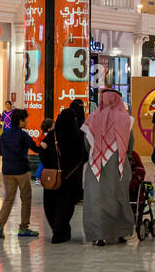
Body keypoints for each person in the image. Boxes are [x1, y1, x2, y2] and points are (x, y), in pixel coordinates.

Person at [80, 89, 134, 246]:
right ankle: (121, 233)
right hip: (118, 165)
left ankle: (98, 235)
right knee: (119, 198)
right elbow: (130, 144)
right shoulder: (126, 120)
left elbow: (86, 143)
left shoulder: (92, 119)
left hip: (96, 166)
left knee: (96, 200)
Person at [40, 104, 87, 244]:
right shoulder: (77, 136)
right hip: (69, 178)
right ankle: (61, 230)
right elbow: (84, 155)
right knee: (66, 206)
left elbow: (42, 153)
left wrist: (51, 165)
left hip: (53, 178)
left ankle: (58, 230)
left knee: (51, 205)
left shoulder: (52, 135)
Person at [0, 108, 38, 239]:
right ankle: (24, 228)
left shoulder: (5, 134)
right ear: (20, 121)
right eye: (26, 119)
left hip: (7, 170)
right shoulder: (23, 135)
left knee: (8, 198)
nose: (27, 121)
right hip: (21, 170)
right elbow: (35, 148)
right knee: (26, 198)